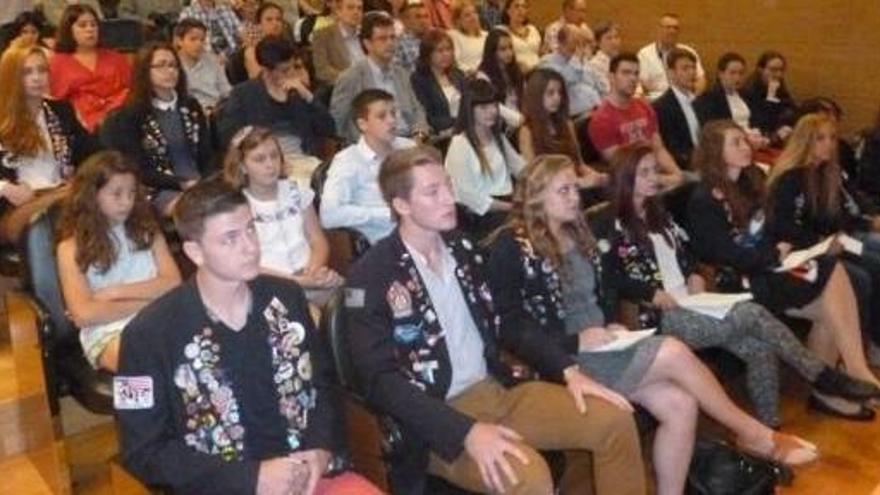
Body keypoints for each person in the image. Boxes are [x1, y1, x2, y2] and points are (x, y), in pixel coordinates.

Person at [488, 154, 833, 493]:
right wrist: (576, 343)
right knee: (672, 351)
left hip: (603, 347)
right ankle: (754, 434)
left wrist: (610, 325)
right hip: (563, 362)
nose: (575, 197)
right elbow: (512, 326)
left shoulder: (577, 234)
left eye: (575, 189)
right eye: (563, 191)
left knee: (680, 405)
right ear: (536, 197)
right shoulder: (512, 246)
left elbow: (602, 293)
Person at [345, 145, 647, 495]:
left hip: (495, 390)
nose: (449, 199)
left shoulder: (464, 250)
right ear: (401, 205)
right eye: (433, 192)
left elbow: (509, 322)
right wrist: (465, 432)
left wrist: (568, 370)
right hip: (435, 420)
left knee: (614, 420)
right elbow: (380, 381)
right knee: (529, 476)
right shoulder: (371, 276)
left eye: (448, 186)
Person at [115, 178, 382, 495]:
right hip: (222, 486)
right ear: (195, 252)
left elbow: (324, 384)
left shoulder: (287, 298)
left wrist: (320, 449)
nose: (250, 246)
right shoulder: (145, 335)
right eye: (230, 238)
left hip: (309, 476)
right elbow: (143, 452)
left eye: (251, 229)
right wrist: (251, 478)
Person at [608, 142, 878, 427]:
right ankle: (822, 376)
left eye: (654, 170)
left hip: (694, 301)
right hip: (661, 315)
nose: (654, 177)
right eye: (644, 173)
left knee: (758, 348)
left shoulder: (658, 214)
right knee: (751, 314)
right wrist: (650, 292)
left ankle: (770, 425)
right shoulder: (611, 224)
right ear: (626, 178)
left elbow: (689, 252)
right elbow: (611, 276)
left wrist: (695, 273)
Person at [689, 119, 880, 419]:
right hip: (737, 282)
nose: (745, 146)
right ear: (716, 152)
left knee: (830, 287)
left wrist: (778, 250)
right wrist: (771, 254)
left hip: (767, 268)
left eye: (744, 140)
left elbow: (770, 228)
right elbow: (720, 252)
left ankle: (838, 384)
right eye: (735, 142)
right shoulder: (704, 198)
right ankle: (848, 376)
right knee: (830, 287)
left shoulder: (751, 182)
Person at [57, 151, 181, 372]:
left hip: (160, 317)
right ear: (92, 195)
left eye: (132, 193)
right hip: (107, 330)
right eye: (117, 194)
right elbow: (84, 314)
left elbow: (172, 283)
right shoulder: (70, 248)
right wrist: (148, 302)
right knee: (144, 361)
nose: (127, 202)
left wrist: (114, 293)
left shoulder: (147, 232)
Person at [223, 126, 343, 305]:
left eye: (274, 156)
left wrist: (314, 271)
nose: (270, 164)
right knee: (311, 316)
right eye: (259, 159)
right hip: (269, 287)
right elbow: (247, 264)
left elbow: (317, 240)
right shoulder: (238, 207)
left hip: (309, 276)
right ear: (242, 166)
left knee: (358, 298)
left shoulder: (297, 191)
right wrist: (298, 282)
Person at [100, 42, 213, 217]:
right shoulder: (131, 115)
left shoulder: (191, 106)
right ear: (145, 71)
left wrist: (205, 181)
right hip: (159, 188)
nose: (169, 71)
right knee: (198, 211)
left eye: (173, 65)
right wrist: (182, 184)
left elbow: (207, 154)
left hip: (199, 182)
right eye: (161, 66)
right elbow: (138, 169)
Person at [0, 42, 97, 245]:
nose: (37, 78)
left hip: (62, 193)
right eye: (27, 72)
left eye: (42, 70)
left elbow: (94, 152)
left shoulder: (61, 110)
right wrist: (5, 188)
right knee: (78, 199)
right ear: (11, 76)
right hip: (16, 209)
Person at [218, 37, 336, 187]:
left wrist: (308, 97)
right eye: (285, 70)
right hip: (264, 162)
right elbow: (230, 136)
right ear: (267, 70)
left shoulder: (298, 92)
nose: (292, 73)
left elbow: (329, 128)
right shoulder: (243, 94)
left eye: (294, 67)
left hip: (303, 158)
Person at [321, 89, 415, 243]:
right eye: (382, 116)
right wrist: (387, 213)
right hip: (387, 242)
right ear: (362, 124)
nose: (391, 120)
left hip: (424, 229)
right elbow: (329, 215)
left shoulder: (408, 148)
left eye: (393, 113)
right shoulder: (347, 161)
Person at [330, 10, 430, 143]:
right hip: (373, 145)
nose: (390, 43)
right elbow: (338, 123)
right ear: (367, 44)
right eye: (382, 38)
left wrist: (420, 134)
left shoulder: (401, 73)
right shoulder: (351, 77)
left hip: (409, 139)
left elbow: (417, 109)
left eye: (392, 37)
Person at [587, 53, 683, 188]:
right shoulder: (601, 119)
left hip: (655, 171)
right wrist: (661, 179)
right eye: (626, 73)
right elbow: (622, 165)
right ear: (611, 77)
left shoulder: (644, 106)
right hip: (631, 183)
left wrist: (676, 174)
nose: (633, 78)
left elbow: (659, 149)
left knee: (692, 183)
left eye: (636, 73)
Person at [445, 78, 524, 237]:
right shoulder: (460, 144)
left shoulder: (497, 137)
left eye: (494, 105)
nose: (492, 111)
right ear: (469, 109)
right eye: (483, 107)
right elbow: (470, 197)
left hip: (507, 204)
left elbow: (521, 168)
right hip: (483, 216)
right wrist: (513, 207)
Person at [519, 68, 606, 194]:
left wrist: (596, 176)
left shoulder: (567, 123)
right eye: (550, 93)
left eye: (560, 93)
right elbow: (535, 177)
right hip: (552, 191)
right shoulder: (526, 131)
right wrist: (579, 183)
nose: (557, 98)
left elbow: (579, 164)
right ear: (536, 96)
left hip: (576, 182)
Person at [49, 4, 131, 133]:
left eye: (94, 25)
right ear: (69, 30)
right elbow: (57, 103)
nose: (90, 29)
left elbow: (131, 90)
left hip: (119, 120)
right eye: (82, 25)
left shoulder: (116, 58)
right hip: (80, 126)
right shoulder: (57, 63)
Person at [693, 52, 770, 150]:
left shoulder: (748, 95)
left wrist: (762, 137)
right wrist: (746, 139)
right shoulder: (708, 99)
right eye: (732, 73)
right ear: (721, 74)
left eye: (741, 73)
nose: (737, 78)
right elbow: (714, 132)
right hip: (728, 148)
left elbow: (760, 122)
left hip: (753, 144)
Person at [537, 24, 605, 121]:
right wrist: (576, 60)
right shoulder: (547, 62)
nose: (577, 47)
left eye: (580, 43)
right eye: (575, 42)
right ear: (560, 43)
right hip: (573, 116)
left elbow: (596, 85)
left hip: (595, 108)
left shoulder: (582, 61)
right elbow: (564, 81)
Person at [410, 29, 467, 142]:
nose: (446, 54)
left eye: (448, 49)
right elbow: (428, 117)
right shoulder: (419, 79)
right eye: (440, 51)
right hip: (442, 136)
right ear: (428, 54)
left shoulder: (458, 74)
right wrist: (459, 122)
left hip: (465, 129)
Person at [636, 13, 705, 100]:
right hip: (656, 101)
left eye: (676, 28)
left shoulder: (688, 51)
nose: (672, 31)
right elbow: (638, 84)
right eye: (668, 27)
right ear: (659, 29)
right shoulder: (644, 54)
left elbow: (701, 80)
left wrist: (693, 99)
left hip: (685, 99)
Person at [653, 47, 701, 170]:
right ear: (671, 73)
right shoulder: (661, 107)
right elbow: (672, 149)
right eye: (685, 68)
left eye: (693, 67)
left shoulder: (701, 102)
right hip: (684, 166)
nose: (692, 72)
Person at [174, 18, 232, 115]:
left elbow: (226, 91)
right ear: (179, 41)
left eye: (202, 40)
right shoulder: (174, 65)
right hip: (191, 113)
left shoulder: (213, 61)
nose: (199, 44)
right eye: (193, 39)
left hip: (218, 110)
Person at [225, 1, 290, 85]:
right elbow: (259, 82)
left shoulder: (288, 48)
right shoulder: (251, 51)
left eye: (278, 19)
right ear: (259, 25)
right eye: (269, 20)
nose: (275, 23)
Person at [742, 50, 796, 143]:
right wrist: (771, 97)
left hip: (780, 134)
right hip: (760, 137)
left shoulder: (780, 89)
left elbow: (791, 109)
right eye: (773, 70)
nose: (778, 75)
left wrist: (785, 127)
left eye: (781, 70)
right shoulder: (749, 92)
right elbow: (760, 123)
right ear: (761, 70)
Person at [476, 27, 524, 129]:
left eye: (510, 47)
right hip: (499, 125)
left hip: (519, 119)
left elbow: (524, 95)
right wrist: (519, 119)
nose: (509, 52)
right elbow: (494, 106)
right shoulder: (483, 75)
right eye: (503, 49)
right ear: (492, 51)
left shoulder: (515, 70)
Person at [311, 0, 364, 85]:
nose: (356, 12)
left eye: (359, 8)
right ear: (338, 11)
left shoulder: (366, 34)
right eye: (350, 8)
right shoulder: (323, 35)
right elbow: (322, 70)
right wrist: (351, 79)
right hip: (344, 87)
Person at [179, 0, 243, 59]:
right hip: (206, 59)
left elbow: (241, 32)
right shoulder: (188, 13)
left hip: (233, 55)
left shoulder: (226, 9)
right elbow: (183, 45)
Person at [447, 0, 487, 75]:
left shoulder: (486, 36)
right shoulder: (453, 36)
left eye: (474, 13)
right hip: (467, 77)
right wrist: (471, 71)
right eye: (467, 15)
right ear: (458, 20)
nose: (473, 17)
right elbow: (456, 63)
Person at [500, 0, 540, 73]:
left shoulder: (533, 29)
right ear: (508, 11)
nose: (521, 10)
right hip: (514, 72)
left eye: (524, 7)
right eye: (517, 6)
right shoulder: (501, 31)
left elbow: (539, 52)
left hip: (538, 71)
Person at [392, 0, 431, 75]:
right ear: (406, 21)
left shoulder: (435, 40)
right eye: (418, 17)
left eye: (426, 16)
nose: (424, 21)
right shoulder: (398, 44)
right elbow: (397, 74)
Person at [589, 20, 621, 94]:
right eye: (608, 38)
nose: (614, 42)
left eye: (616, 37)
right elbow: (607, 91)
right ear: (597, 42)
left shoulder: (622, 61)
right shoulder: (594, 65)